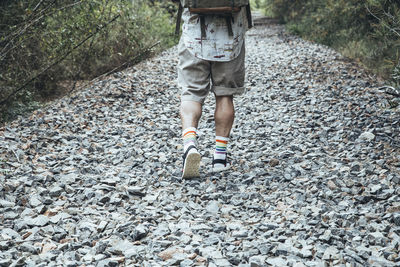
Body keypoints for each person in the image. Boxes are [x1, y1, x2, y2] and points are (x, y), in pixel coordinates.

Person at [178, 5, 250, 179]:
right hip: (231, 38)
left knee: (191, 94)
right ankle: (219, 158)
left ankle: (189, 144)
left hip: (193, 36)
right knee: (225, 94)